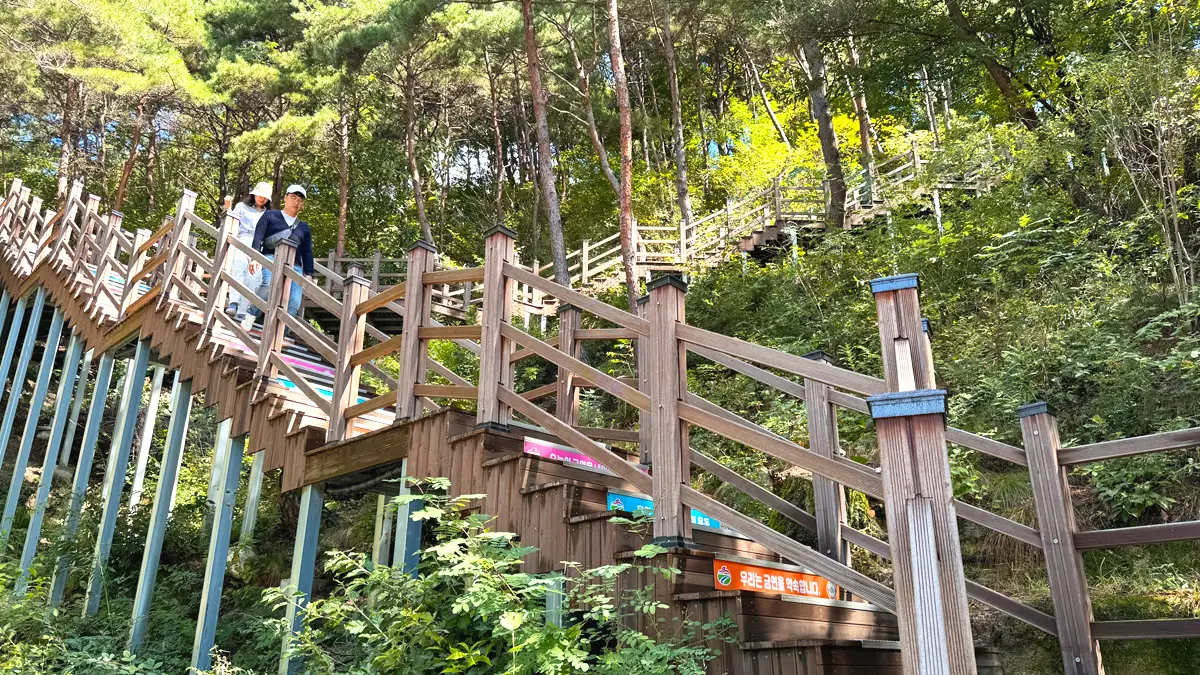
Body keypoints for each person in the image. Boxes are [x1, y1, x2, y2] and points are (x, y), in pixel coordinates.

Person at [242, 184, 315, 330]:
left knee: (294, 300)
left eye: (300, 199)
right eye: (293, 197)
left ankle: (282, 331)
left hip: (295, 265)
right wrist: (255, 258)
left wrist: (309, 274)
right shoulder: (270, 215)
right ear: (285, 198)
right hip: (271, 257)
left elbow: (307, 252)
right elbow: (258, 238)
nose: (296, 201)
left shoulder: (304, 228)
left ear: (303, 204)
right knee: (269, 285)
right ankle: (251, 314)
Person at [224, 182, 271, 323]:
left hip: (259, 247)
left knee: (254, 278)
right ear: (254, 194)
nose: (262, 199)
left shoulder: (269, 214)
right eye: (260, 195)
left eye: (265, 197)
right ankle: (233, 302)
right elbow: (231, 220)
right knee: (239, 269)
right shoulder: (241, 207)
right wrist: (227, 207)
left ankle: (243, 311)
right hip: (242, 240)